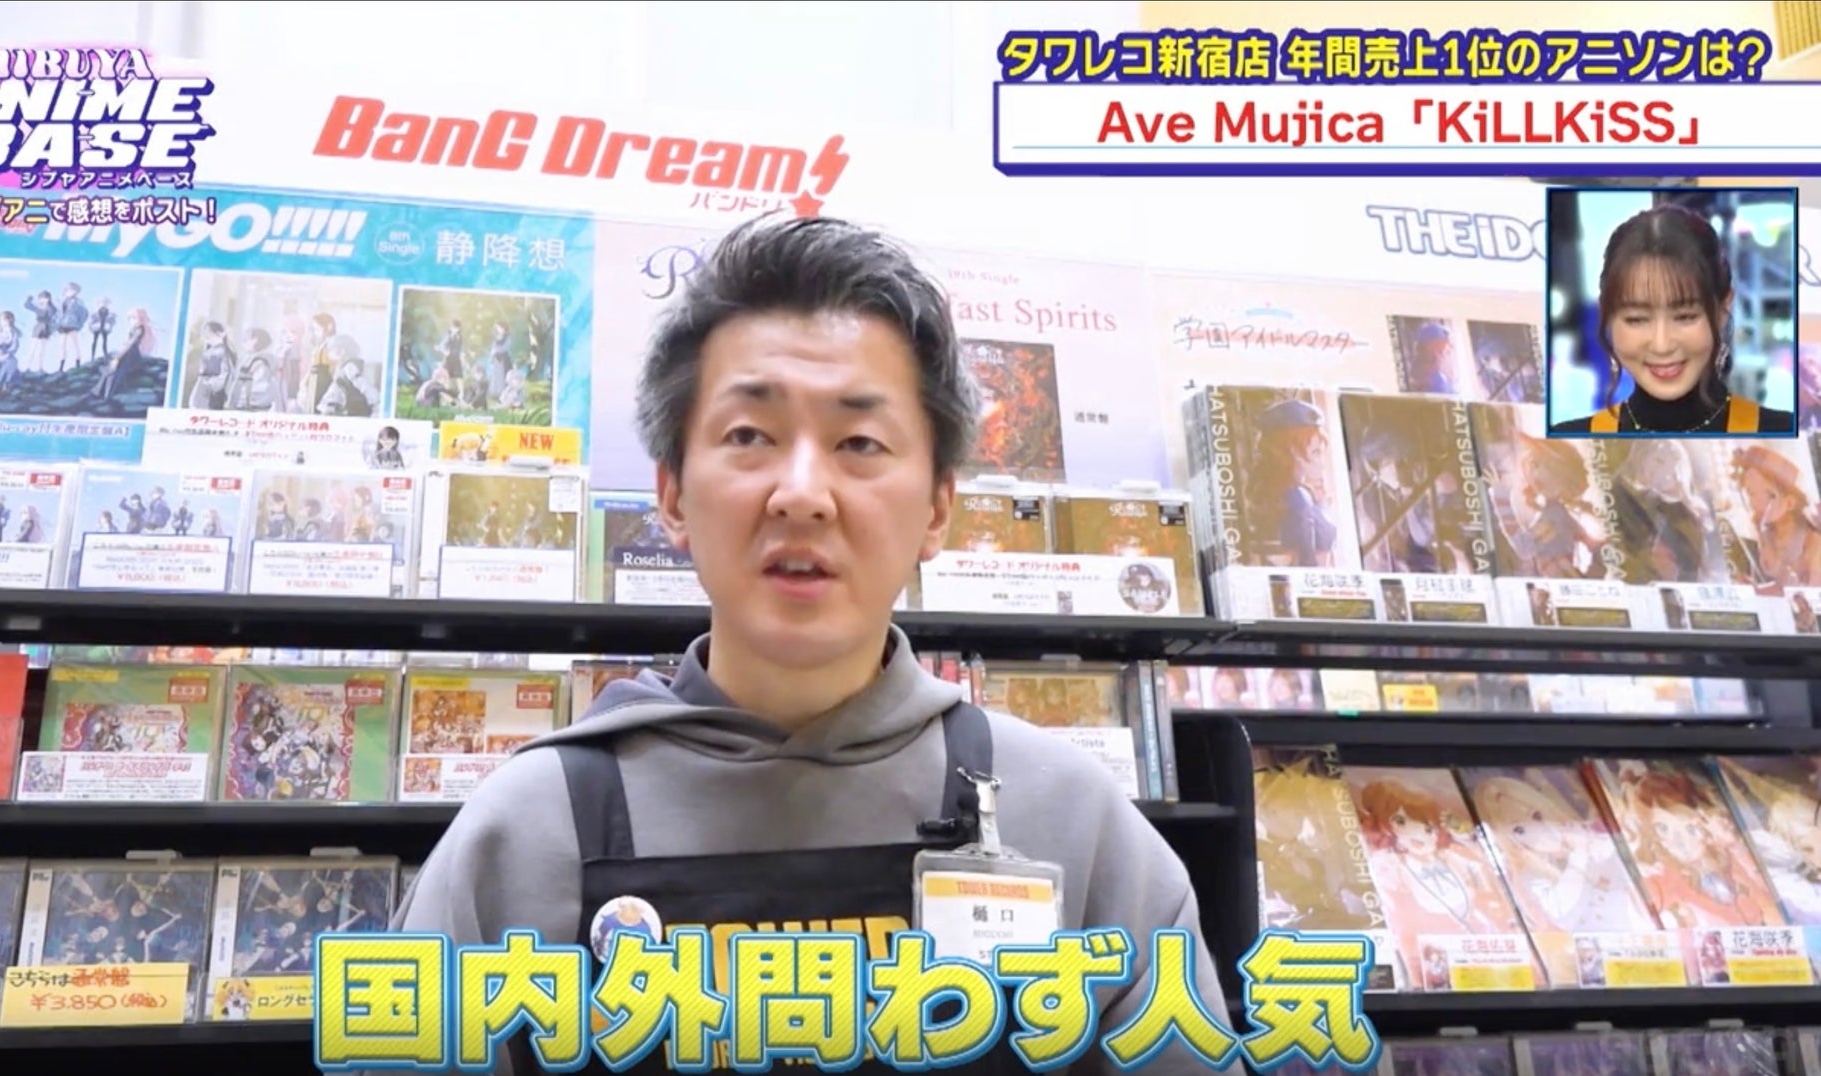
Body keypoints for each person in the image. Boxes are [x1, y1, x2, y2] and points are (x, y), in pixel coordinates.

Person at [390, 216, 1242, 1075]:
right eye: (749, 436)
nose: (802, 493)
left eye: (859, 443)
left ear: (938, 508)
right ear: (673, 496)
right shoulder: (522, 836)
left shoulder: (1077, 826)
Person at [1552, 202, 1796, 436]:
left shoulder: (1787, 434)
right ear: (1607, 316)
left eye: (1685, 317)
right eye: (1636, 319)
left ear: (1723, 310)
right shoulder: (1570, 442)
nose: (1662, 345)